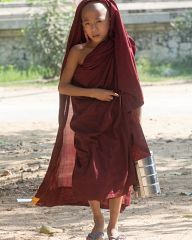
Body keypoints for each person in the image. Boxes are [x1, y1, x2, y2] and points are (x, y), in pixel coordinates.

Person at [32, 0, 150, 239]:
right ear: (81, 26)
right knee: (89, 174)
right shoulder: (78, 52)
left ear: (111, 21)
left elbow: (132, 87)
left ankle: (113, 226)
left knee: (117, 173)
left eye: (99, 21)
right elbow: (63, 87)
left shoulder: (121, 49)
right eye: (87, 23)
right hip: (87, 123)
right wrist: (93, 92)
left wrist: (136, 120)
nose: (93, 27)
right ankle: (98, 221)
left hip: (116, 121)